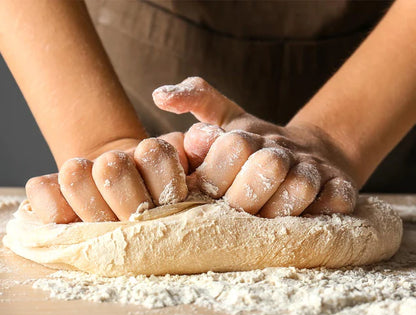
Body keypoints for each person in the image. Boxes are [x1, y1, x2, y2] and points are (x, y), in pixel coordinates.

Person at [1, 0, 415, 224]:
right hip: (142, 46)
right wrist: (103, 139)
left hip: (390, 84)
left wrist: (338, 136)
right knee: (127, 190)